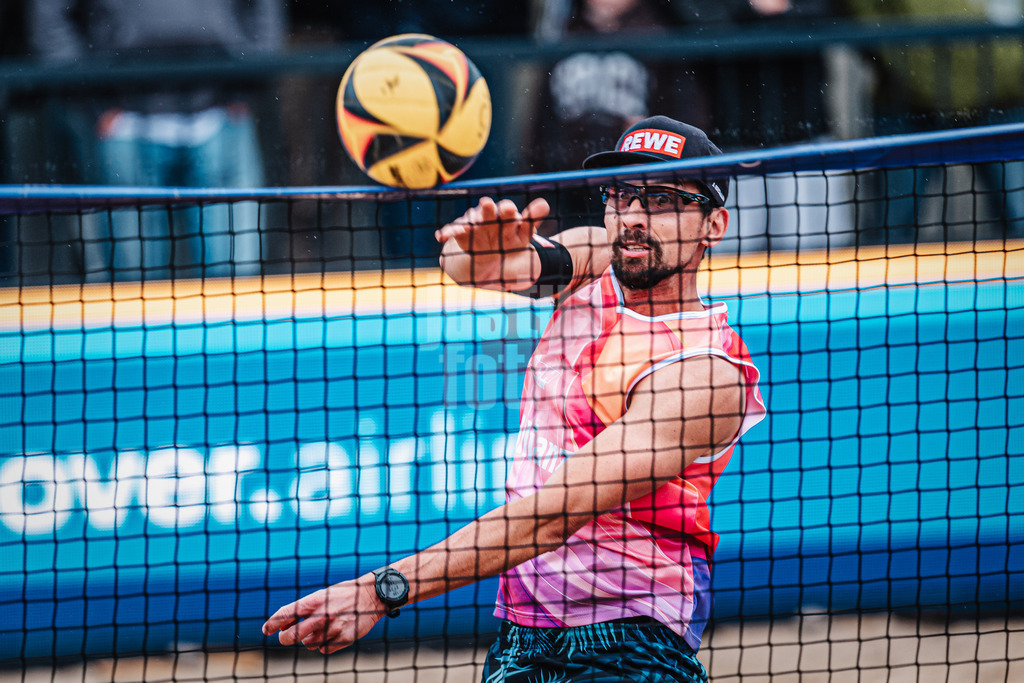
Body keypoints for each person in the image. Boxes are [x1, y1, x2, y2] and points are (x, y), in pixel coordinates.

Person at [263, 116, 766, 681]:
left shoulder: (705, 373)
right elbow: (488, 267)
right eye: (621, 195)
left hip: (630, 640)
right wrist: (474, 250)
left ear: (713, 225)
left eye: (663, 200)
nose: (633, 216)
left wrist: (382, 590)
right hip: (520, 634)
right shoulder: (599, 262)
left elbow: (551, 518)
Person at [27, 0, 286, 281]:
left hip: (221, 119)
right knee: (131, 297)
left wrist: (247, 85)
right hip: (125, 127)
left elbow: (265, 11)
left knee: (237, 292)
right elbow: (49, 19)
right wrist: (94, 105)